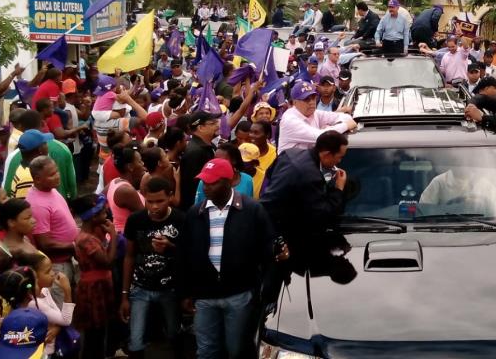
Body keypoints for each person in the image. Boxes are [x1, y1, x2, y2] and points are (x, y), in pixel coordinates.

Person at [176, 158, 279, 359]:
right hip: (204, 296)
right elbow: (184, 254)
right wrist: (185, 292)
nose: (206, 187)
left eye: (212, 182)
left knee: (236, 350)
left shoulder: (252, 210)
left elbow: (268, 252)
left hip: (239, 296)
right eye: (204, 182)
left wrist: (263, 291)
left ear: (229, 182)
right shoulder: (195, 213)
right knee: (206, 351)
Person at [120, 176, 184, 358]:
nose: (154, 206)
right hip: (140, 288)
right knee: (136, 339)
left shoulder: (180, 219)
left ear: (170, 196)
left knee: (174, 332)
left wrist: (170, 247)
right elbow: (129, 257)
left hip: (170, 289)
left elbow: (188, 255)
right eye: (149, 201)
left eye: (160, 201)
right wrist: (125, 295)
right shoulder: (135, 220)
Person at [261, 131, 350, 256]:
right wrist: (339, 188)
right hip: (280, 232)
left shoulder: (290, 153)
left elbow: (269, 174)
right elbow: (324, 213)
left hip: (265, 213)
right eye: (340, 157)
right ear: (327, 154)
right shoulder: (311, 176)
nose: (339, 161)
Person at [70, 194, 119, 359]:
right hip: (94, 288)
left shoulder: (92, 233)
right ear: (93, 217)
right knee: (94, 333)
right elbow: (108, 261)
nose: (106, 214)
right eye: (103, 212)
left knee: (100, 330)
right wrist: (113, 235)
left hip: (100, 283)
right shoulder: (86, 240)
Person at [26, 156, 78, 306]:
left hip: (68, 260)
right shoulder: (38, 205)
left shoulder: (51, 190)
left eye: (57, 171)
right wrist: (74, 246)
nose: (58, 176)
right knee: (62, 307)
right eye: (52, 174)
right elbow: (45, 244)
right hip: (57, 266)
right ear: (37, 179)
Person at [16, 251, 76, 358]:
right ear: (34, 277)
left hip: (54, 348)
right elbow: (66, 320)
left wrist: (57, 327)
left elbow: (59, 316)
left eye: (52, 269)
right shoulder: (34, 303)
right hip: (45, 353)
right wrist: (67, 290)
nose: (53, 273)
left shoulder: (45, 291)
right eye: (48, 272)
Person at [277, 81, 356, 152]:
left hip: (305, 160)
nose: (311, 102)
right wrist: (345, 125)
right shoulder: (290, 120)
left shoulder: (313, 113)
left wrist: (331, 127)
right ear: (295, 102)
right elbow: (320, 137)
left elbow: (344, 117)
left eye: (313, 98)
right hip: (290, 163)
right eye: (306, 99)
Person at [179, 111, 219, 210]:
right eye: (212, 123)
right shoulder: (195, 152)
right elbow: (192, 186)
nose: (217, 126)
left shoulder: (209, 146)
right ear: (200, 128)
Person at [106, 143, 146, 234]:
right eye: (140, 161)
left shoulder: (115, 182)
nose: (143, 164)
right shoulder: (126, 191)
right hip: (125, 237)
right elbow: (146, 217)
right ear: (130, 167)